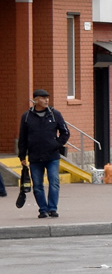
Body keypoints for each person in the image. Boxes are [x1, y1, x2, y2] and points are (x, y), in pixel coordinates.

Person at [16, 88, 69, 218]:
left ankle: (52, 208)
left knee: (54, 182)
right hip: (35, 157)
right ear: (35, 100)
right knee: (38, 185)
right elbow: (22, 137)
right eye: (43, 98)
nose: (46, 100)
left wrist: (56, 144)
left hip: (52, 156)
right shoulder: (27, 116)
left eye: (47, 98)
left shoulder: (54, 114)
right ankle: (43, 209)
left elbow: (65, 132)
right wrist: (22, 155)